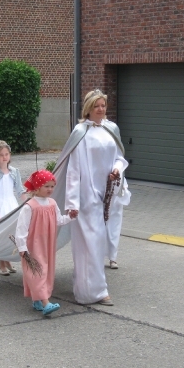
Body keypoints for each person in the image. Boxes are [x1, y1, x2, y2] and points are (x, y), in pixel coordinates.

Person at [64, 89, 128, 306]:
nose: (101, 109)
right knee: (88, 243)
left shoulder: (112, 128)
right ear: (88, 109)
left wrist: (117, 169)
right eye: (96, 106)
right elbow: (73, 169)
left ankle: (92, 288)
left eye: (103, 105)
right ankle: (93, 291)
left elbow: (120, 157)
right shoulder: (80, 131)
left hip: (106, 194)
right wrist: (72, 202)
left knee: (98, 242)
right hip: (86, 195)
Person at [15, 170, 76, 316]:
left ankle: (37, 300)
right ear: (37, 187)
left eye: (52, 186)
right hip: (34, 245)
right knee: (38, 270)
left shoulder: (52, 203)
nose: (50, 189)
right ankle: (45, 302)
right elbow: (21, 228)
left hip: (47, 243)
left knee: (46, 270)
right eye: (46, 186)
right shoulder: (29, 206)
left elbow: (58, 220)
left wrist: (70, 217)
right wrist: (22, 247)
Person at [0, 140, 25, 275]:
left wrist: (28, 204)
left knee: (12, 235)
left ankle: (7, 260)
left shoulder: (15, 171)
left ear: (10, 155)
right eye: (1, 155)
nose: (4, 157)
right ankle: (1, 264)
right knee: (1, 236)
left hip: (11, 205)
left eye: (6, 154)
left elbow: (20, 191)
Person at [105, 179, 130, 269]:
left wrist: (123, 189)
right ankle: (95, 257)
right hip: (102, 201)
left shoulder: (119, 167)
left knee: (114, 231)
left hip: (115, 203)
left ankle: (113, 258)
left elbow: (123, 184)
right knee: (98, 230)